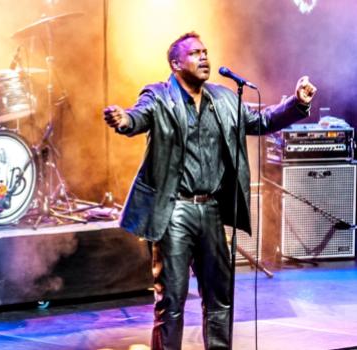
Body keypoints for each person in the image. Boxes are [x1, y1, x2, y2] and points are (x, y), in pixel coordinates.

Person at [103, 32, 316, 349]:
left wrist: (296, 104)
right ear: (176, 63)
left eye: (205, 52)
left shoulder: (225, 98)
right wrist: (124, 120)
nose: (204, 57)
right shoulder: (159, 96)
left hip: (212, 210)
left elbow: (260, 120)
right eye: (194, 53)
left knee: (219, 296)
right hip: (175, 211)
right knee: (171, 299)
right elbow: (138, 116)